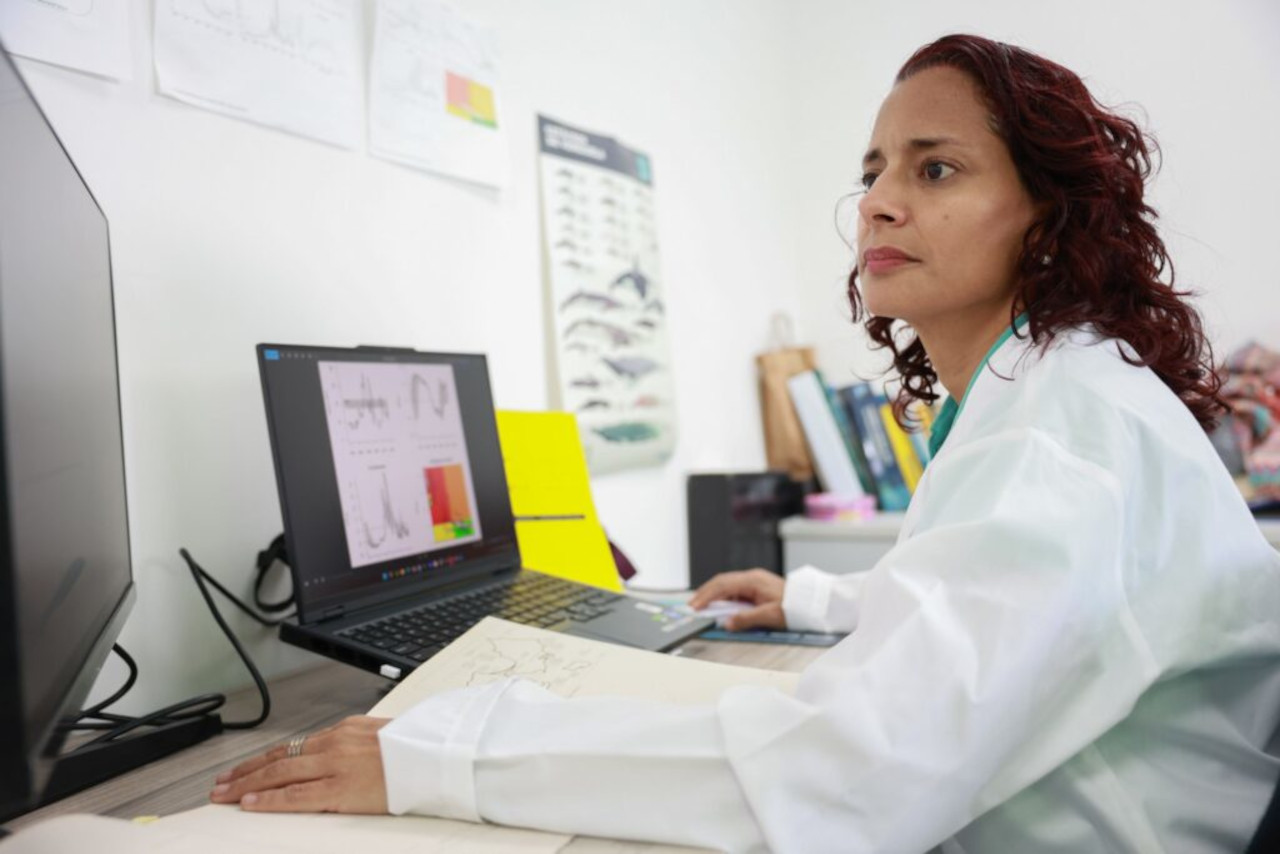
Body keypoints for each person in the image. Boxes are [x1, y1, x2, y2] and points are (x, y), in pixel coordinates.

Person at [210, 34, 1280, 853]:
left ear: (1045, 215)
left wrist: (444, 752)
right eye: (871, 170)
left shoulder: (1059, 435)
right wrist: (823, 601)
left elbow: (853, 775)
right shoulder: (1051, 389)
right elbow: (1038, 599)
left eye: (935, 168)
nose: (877, 202)